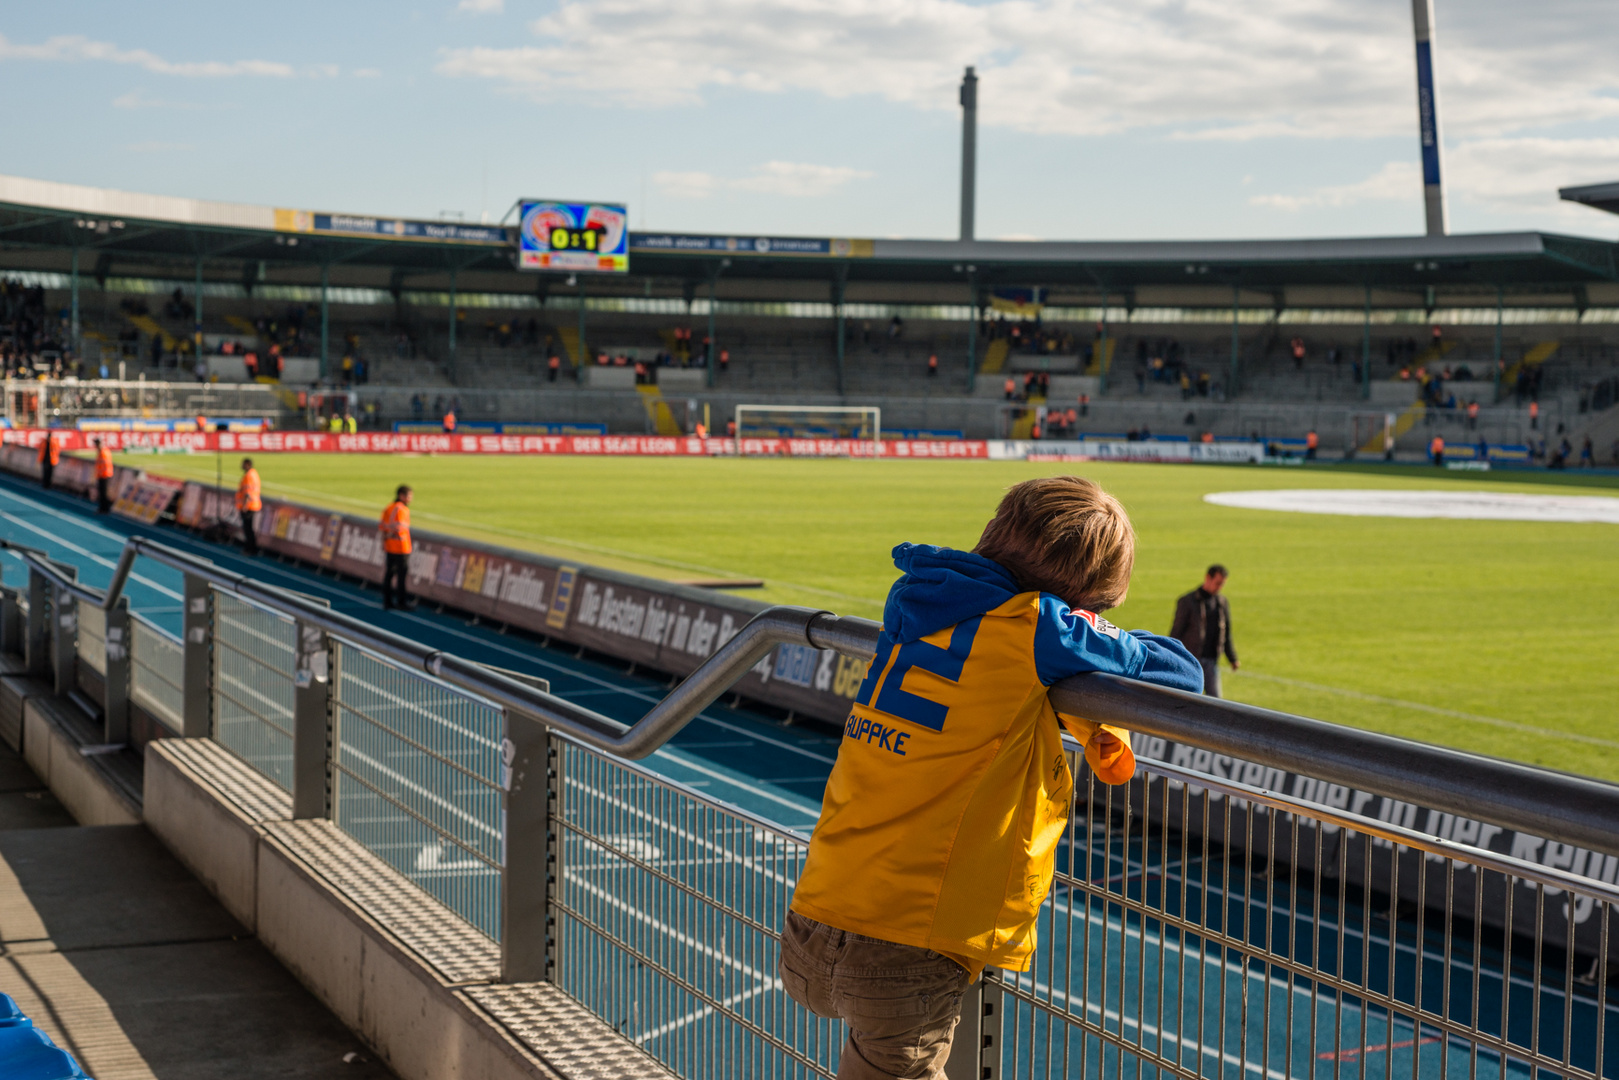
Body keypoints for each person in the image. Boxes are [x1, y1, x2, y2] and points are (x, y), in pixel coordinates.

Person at [781, 477, 1201, 1078]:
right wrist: (1092, 632)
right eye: (1100, 609)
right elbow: (1182, 672)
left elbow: (998, 697)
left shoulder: (922, 601)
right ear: (1074, 598)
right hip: (907, 949)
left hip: (813, 923)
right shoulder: (1036, 626)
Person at [1170, 564, 1239, 698]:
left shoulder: (1222, 603)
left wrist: (1232, 658)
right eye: (1217, 583)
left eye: (1222, 584)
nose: (1219, 587)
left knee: (1216, 700)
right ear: (1208, 578)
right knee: (1189, 697)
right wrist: (1172, 656)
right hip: (1191, 659)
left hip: (1211, 660)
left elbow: (1226, 632)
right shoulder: (1187, 602)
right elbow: (1176, 631)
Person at [380, 485, 414, 610]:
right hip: (401, 547)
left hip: (390, 547)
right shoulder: (402, 509)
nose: (410, 499)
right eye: (409, 496)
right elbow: (398, 528)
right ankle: (401, 602)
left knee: (389, 575)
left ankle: (387, 601)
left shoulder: (389, 508)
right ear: (401, 495)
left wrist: (385, 540)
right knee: (401, 576)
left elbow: (383, 526)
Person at [235, 458, 261, 555]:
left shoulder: (249, 476)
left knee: (248, 529)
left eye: (243, 464)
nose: (241, 466)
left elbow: (247, 492)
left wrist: (244, 506)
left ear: (247, 464)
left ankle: (250, 549)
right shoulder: (254, 474)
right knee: (249, 528)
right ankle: (251, 548)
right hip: (253, 505)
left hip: (249, 506)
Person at [93, 438, 114, 513]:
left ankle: (105, 508)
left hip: (104, 475)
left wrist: (101, 474)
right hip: (102, 475)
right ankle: (103, 508)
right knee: (102, 492)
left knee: (103, 493)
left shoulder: (103, 452)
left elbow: (105, 465)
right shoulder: (102, 451)